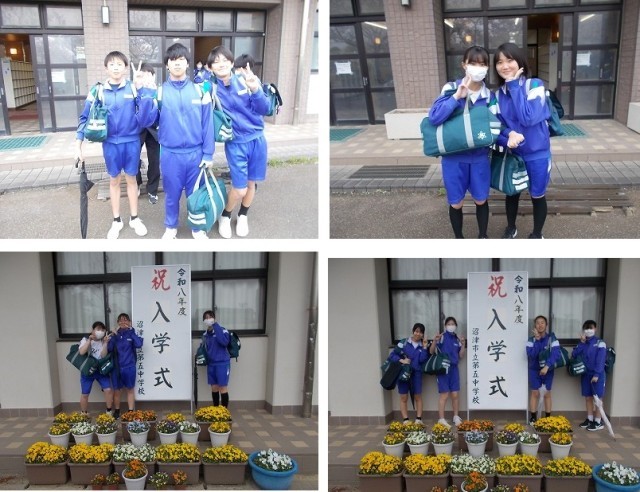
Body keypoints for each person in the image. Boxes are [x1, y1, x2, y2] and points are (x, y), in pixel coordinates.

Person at [75, 51, 156, 239]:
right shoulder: (98, 91)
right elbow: (84, 117)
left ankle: (134, 218)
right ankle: (117, 220)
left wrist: (142, 89)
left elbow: (147, 115)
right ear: (106, 68)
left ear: (125, 68)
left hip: (132, 142)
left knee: (132, 179)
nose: (116, 67)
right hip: (110, 143)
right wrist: (78, 145)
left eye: (120, 64)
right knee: (114, 180)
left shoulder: (133, 88)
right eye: (112, 64)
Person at [427, 45, 496, 239]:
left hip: (479, 158)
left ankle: (483, 236)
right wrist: (457, 96)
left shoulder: (489, 96)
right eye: (473, 63)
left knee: (481, 199)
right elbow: (434, 118)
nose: (478, 68)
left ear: (487, 68)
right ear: (464, 65)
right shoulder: (450, 88)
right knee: (456, 203)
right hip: (453, 158)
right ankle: (459, 239)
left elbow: (496, 126)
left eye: (482, 64)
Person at [206, 46, 271, 238]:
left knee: (251, 184)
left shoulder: (246, 80)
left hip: (257, 139)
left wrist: (255, 89)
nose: (221, 64)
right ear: (210, 67)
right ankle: (225, 215)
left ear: (232, 63)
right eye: (216, 62)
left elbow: (265, 109)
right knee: (240, 188)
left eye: (224, 60)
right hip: (235, 143)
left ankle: (243, 215)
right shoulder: (211, 89)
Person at [492, 42, 552, 239]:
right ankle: (511, 227)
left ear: (520, 62)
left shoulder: (534, 85)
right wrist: (509, 134)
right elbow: (497, 125)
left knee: (537, 195)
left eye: (509, 60)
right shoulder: (497, 95)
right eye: (499, 62)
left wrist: (513, 86)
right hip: (514, 154)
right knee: (512, 193)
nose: (505, 66)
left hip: (537, 154)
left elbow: (528, 118)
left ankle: (537, 234)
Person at [156, 43, 215, 240]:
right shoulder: (160, 92)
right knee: (171, 194)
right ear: (167, 65)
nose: (177, 63)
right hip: (170, 153)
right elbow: (147, 121)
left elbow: (208, 124)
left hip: (195, 153)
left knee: (195, 194)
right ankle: (170, 227)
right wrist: (145, 95)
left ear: (188, 64)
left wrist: (208, 153)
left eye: (181, 59)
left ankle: (197, 228)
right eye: (173, 60)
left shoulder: (200, 90)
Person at [387, 323, 429, 423]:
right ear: (413, 331)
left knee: (417, 396)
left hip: (416, 373)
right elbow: (392, 356)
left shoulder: (422, 345)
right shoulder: (404, 342)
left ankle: (418, 419)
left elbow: (422, 360)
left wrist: (424, 347)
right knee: (403, 397)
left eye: (421, 332)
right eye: (416, 331)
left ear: (423, 334)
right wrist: (402, 360)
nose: (418, 334)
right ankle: (405, 420)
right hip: (403, 373)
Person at [430, 317, 466, 428]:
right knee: (444, 395)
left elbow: (461, 355)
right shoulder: (441, 337)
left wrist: (463, 344)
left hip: (454, 369)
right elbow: (431, 351)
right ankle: (441, 419)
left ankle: (456, 416)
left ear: (456, 326)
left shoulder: (457, 339)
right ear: (445, 326)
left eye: (453, 324)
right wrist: (434, 341)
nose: (451, 326)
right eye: (449, 324)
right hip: (443, 369)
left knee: (455, 394)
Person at [571, 320, 607, 432]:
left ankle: (598, 421)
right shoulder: (583, 342)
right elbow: (574, 354)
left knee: (598, 399)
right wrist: (581, 343)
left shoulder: (600, 343)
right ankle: (590, 419)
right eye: (586, 328)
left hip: (597, 374)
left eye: (590, 328)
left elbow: (600, 360)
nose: (588, 330)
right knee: (588, 397)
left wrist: (596, 374)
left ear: (595, 329)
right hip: (585, 374)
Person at [107, 313, 143, 419]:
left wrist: (131, 331)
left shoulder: (131, 333)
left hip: (129, 367)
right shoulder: (114, 335)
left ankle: (130, 412)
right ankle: (117, 411)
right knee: (117, 391)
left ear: (129, 322)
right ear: (118, 322)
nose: (123, 322)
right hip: (117, 368)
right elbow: (109, 348)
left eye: (125, 320)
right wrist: (113, 336)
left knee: (130, 389)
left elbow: (139, 344)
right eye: (121, 320)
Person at [525, 315, 559, 425]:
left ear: (546, 325)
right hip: (534, 370)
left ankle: (548, 418)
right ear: (535, 325)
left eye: (542, 323)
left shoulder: (552, 339)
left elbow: (556, 354)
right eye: (538, 323)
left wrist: (547, 366)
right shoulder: (531, 340)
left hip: (548, 370)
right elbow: (531, 355)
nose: (540, 325)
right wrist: (537, 341)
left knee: (547, 393)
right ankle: (533, 417)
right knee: (535, 393)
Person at [135, 63, 161, 205]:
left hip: (154, 130)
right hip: (138, 130)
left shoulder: (158, 91)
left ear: (153, 76)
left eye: (149, 74)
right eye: (143, 75)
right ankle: (136, 183)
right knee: (134, 159)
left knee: (155, 161)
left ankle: (152, 189)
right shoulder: (135, 89)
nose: (146, 77)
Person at [78, 321, 114, 416]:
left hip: (100, 370)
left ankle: (109, 411)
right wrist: (89, 340)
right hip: (87, 370)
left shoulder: (103, 341)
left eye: (102, 330)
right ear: (92, 330)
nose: (100, 331)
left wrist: (105, 343)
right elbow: (81, 352)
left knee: (108, 390)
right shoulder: (85, 339)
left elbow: (103, 355)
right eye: (98, 329)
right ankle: (84, 413)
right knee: (85, 393)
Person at [202, 310, 231, 407]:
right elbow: (204, 348)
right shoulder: (205, 335)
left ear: (214, 318)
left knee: (222, 387)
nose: (208, 319)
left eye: (210, 317)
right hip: (211, 364)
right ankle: (215, 410)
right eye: (206, 318)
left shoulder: (222, 330)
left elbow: (224, 342)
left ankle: (224, 411)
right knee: (214, 387)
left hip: (222, 363)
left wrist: (215, 326)